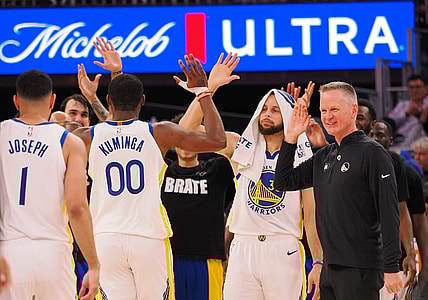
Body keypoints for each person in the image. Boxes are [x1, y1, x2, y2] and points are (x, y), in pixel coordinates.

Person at [73, 52, 226, 299]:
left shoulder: (85, 136)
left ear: (109, 101)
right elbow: (217, 139)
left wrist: (113, 79)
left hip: (106, 238)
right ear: (143, 100)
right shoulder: (159, 133)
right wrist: (202, 92)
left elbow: (110, 128)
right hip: (148, 236)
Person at [177, 62, 322, 299]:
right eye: (264, 109)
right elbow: (186, 130)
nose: (267, 114)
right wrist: (209, 88)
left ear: (287, 115)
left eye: (275, 110)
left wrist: (317, 261)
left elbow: (312, 215)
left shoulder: (303, 158)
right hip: (243, 247)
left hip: (283, 248)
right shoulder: (240, 147)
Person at [274, 81, 403, 299]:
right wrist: (291, 137)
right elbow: (282, 182)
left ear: (353, 110)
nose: (327, 116)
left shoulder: (374, 153)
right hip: (329, 267)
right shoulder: (324, 156)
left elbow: (389, 213)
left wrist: (392, 267)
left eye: (334, 109)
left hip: (361, 268)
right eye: (323, 110)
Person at [0, 69, 100, 300]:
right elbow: (77, 208)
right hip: (54, 254)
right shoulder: (70, 142)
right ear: (52, 100)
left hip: (9, 253)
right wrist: (93, 265)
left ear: (16, 100)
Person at [161, 145, 235, 300]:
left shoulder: (217, 169)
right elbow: (148, 143)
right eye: (182, 139)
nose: (187, 144)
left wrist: (203, 134)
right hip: (167, 258)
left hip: (207, 260)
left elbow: (234, 148)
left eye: (192, 139)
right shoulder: (162, 169)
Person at [388, 75, 428, 149]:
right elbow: (389, 123)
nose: (414, 91)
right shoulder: (402, 105)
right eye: (411, 87)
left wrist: (420, 117)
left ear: (426, 88)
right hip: (398, 140)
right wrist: (407, 114)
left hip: (421, 141)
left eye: (418, 87)